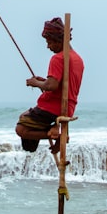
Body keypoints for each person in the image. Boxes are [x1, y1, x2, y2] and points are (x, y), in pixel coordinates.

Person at [15, 17, 84, 153]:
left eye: (49, 42)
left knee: (21, 129)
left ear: (58, 40)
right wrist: (43, 82)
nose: (48, 46)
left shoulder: (58, 58)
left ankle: (57, 134)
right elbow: (60, 84)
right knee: (25, 117)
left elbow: (51, 85)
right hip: (69, 107)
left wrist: (35, 83)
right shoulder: (77, 59)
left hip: (53, 108)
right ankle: (53, 130)